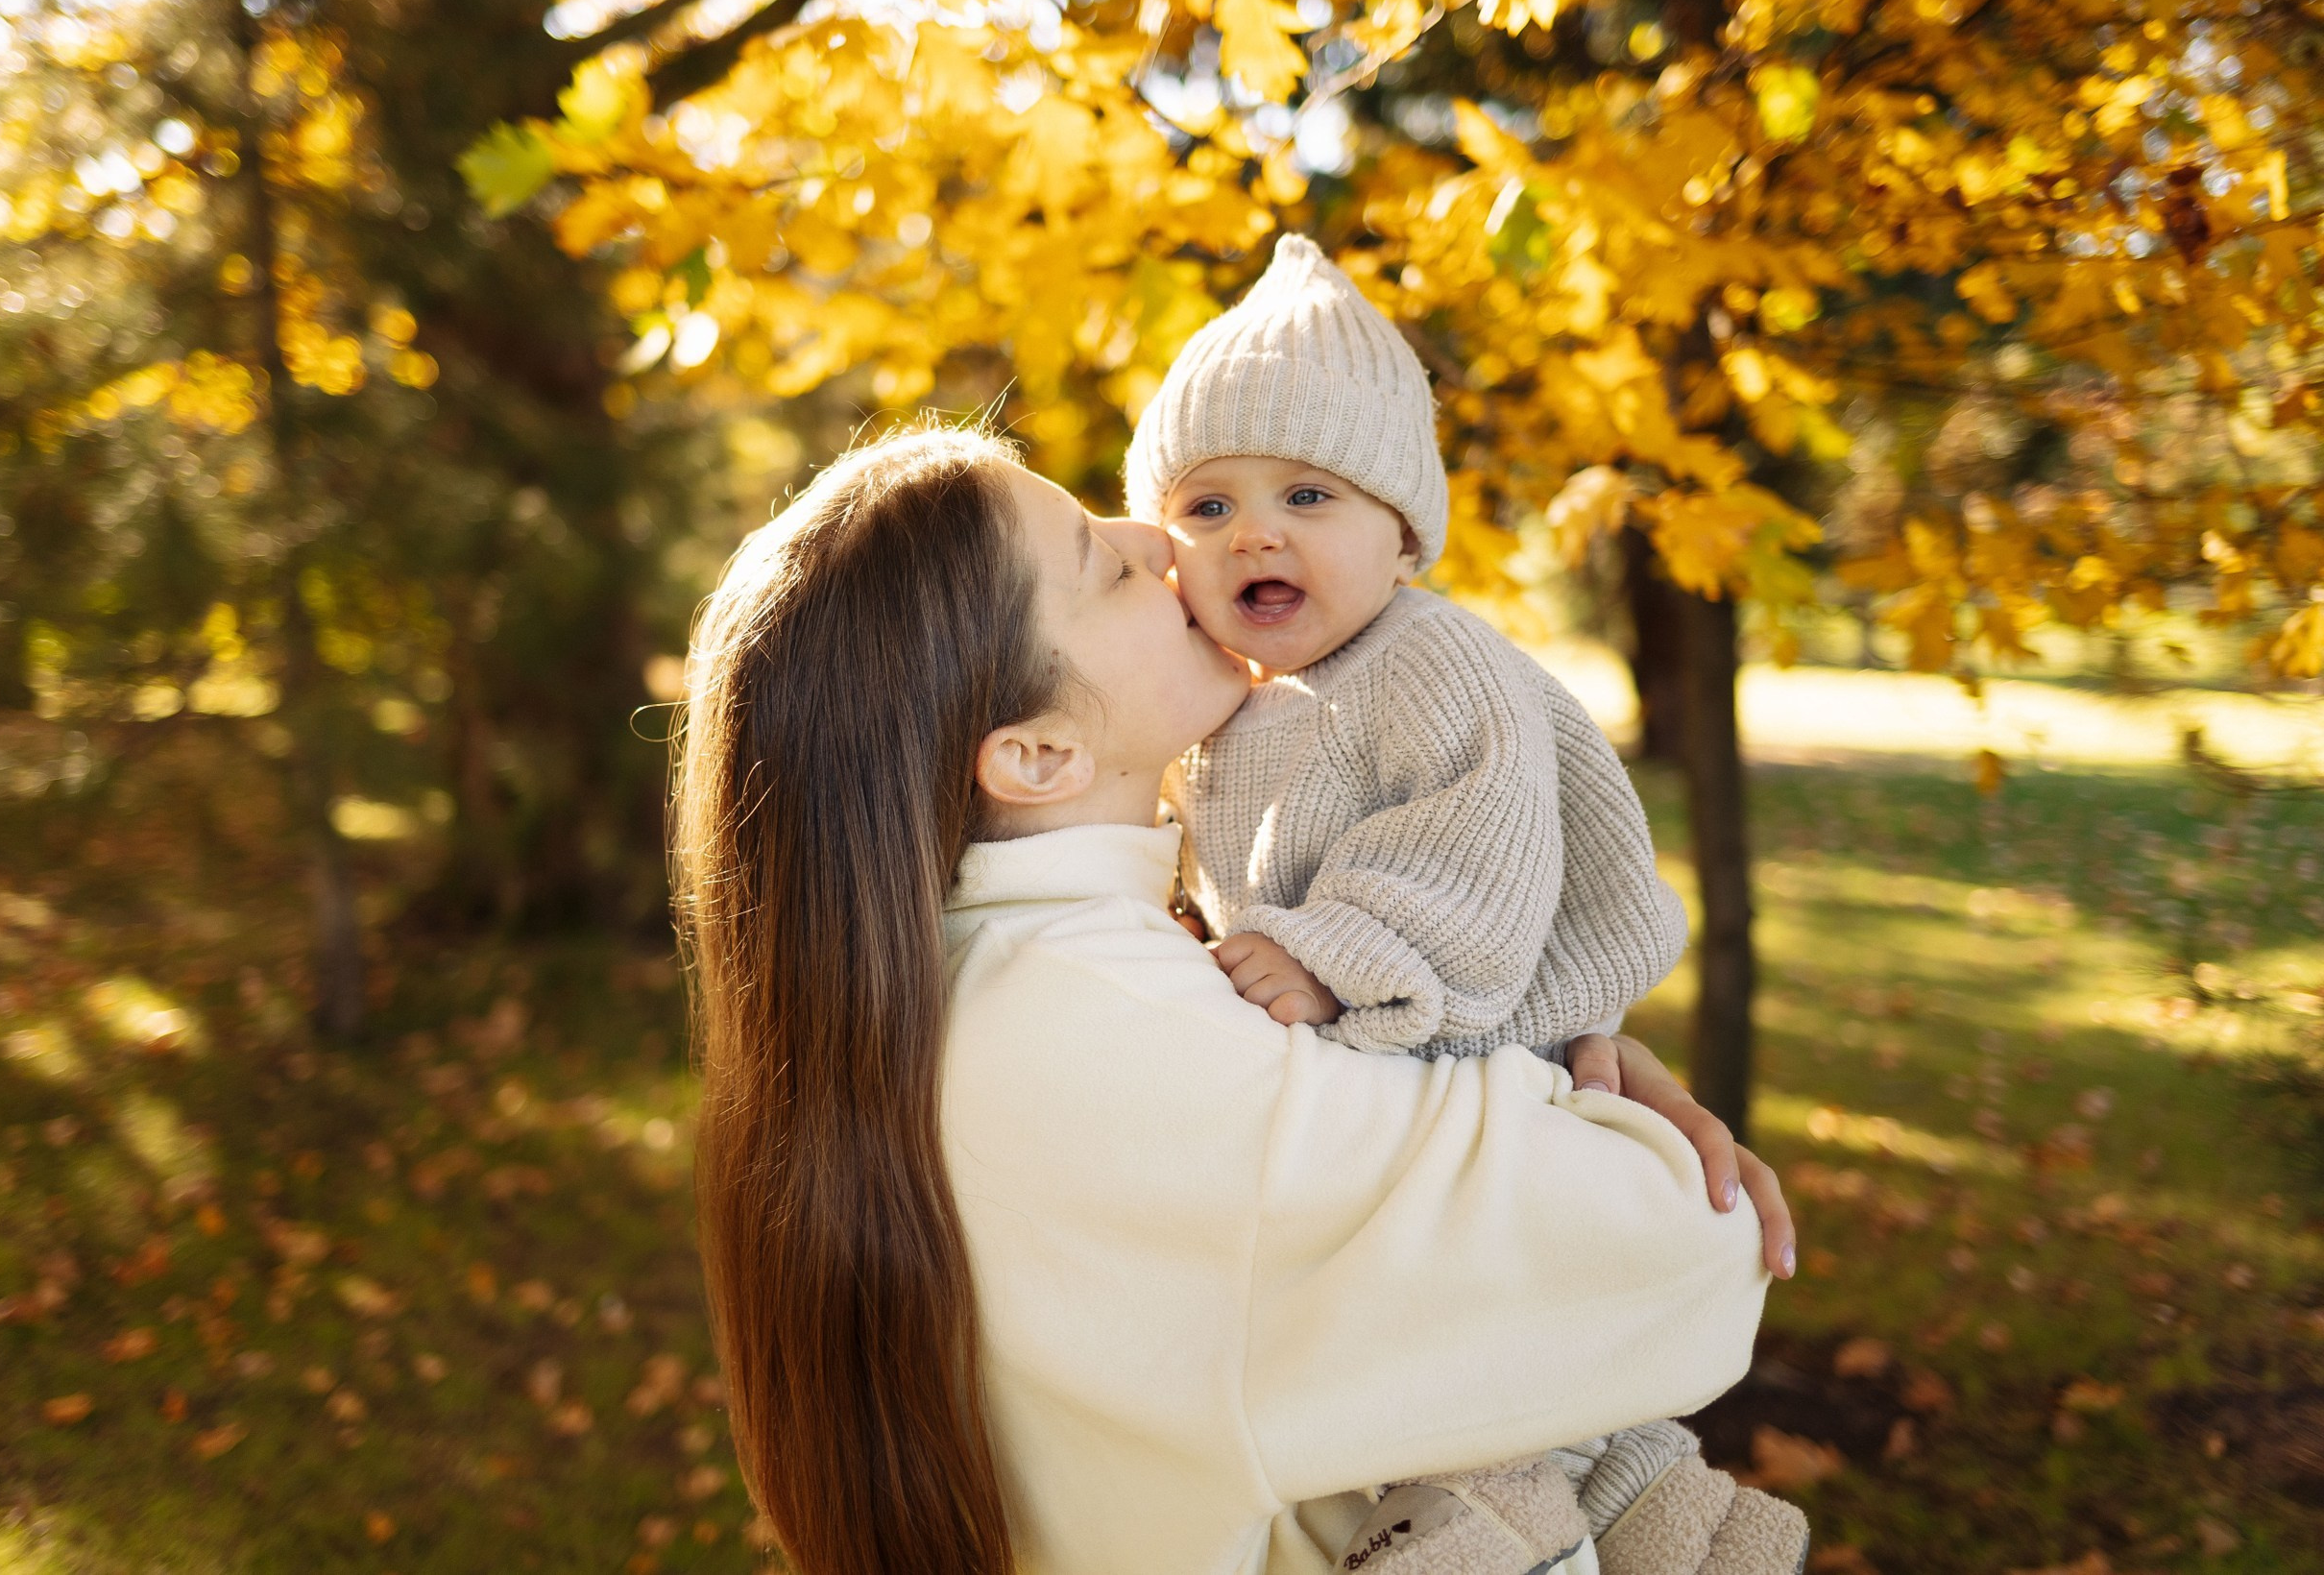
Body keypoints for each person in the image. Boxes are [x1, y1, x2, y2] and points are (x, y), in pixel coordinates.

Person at [674, 424, 1795, 1575]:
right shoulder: (1118, 1039)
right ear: (1039, 756)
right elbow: (1688, 1250)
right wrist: (1594, 1099)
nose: (1160, 540)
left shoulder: (987, 993)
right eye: (1102, 562)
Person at [1124, 234, 1805, 1572]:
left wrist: (1328, 953)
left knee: (1446, 1334)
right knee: (1535, 1381)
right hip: (1382, 1060)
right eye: (1205, 507)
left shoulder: (1428, 658)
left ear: (1403, 537)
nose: (1254, 531)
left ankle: (1490, 1521)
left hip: (1460, 1029)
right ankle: (1678, 1521)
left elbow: (1474, 847)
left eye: (1308, 494)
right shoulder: (1234, 706)